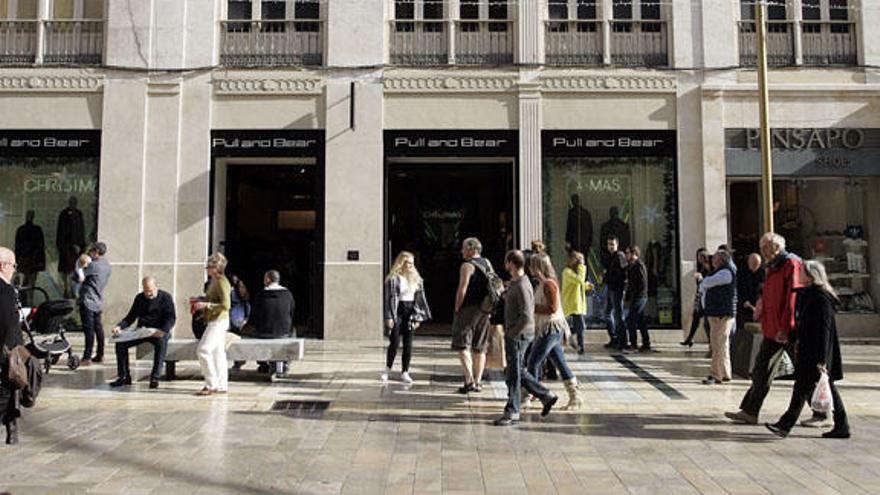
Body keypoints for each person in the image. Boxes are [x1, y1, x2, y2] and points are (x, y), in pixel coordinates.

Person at [765, 261, 850, 439]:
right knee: (807, 388)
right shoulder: (809, 295)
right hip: (809, 350)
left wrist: (822, 359)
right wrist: (791, 335)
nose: (798, 275)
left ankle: (786, 425)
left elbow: (823, 330)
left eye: (801, 272)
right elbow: (806, 325)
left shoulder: (820, 297)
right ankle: (840, 425)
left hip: (816, 353)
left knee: (807, 388)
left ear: (811, 276)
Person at [726, 233, 802, 424]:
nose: (763, 252)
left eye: (765, 248)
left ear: (776, 247)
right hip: (772, 330)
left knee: (805, 372)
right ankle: (750, 411)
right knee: (761, 370)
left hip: (788, 330)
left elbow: (792, 300)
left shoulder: (790, 264)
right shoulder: (773, 267)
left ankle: (825, 411)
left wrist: (786, 327)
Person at [494, 250, 557, 426]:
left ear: (511, 264)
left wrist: (512, 334)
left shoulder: (522, 285)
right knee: (515, 371)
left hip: (519, 335)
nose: (505, 265)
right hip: (518, 334)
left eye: (507, 262)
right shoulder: (519, 283)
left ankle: (513, 411)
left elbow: (526, 315)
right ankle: (545, 395)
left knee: (514, 374)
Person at [526, 253, 582, 411]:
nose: (529, 268)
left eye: (532, 265)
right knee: (559, 362)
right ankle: (575, 396)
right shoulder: (542, 283)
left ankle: (529, 395)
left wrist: (531, 307)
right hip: (549, 328)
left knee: (533, 361)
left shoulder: (548, 284)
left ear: (539, 267)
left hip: (551, 328)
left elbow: (553, 308)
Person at [109, 276, 176, 389]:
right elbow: (130, 317)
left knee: (161, 343)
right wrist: (119, 327)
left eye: (150, 290)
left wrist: (163, 330)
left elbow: (171, 317)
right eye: (145, 290)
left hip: (159, 330)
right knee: (120, 344)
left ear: (155, 287)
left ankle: (155, 377)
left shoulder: (165, 297)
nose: (148, 293)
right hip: (142, 330)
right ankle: (124, 377)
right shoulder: (140, 298)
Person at [383, 252, 431, 384]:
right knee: (394, 342)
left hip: (411, 311)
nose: (410, 266)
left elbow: (421, 300)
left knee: (408, 343)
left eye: (412, 263)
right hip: (397, 310)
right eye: (408, 263)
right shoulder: (393, 279)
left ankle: (405, 372)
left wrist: (418, 318)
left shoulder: (417, 279)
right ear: (401, 263)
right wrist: (388, 317)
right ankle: (388, 368)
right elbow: (388, 299)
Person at [451, 238, 492, 393]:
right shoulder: (487, 262)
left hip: (469, 308)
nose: (461, 251)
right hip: (485, 309)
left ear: (471, 249)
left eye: (463, 248)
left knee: (462, 343)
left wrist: (457, 307)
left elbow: (462, 288)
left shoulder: (467, 266)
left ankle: (469, 381)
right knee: (480, 346)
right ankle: (478, 381)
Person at [193, 253, 232, 396]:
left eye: (209, 266)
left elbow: (226, 305)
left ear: (216, 268)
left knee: (203, 350)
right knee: (218, 354)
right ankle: (221, 385)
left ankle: (211, 384)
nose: (207, 269)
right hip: (216, 320)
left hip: (219, 320)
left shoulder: (222, 282)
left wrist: (206, 305)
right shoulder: (215, 281)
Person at [243, 270, 297, 373]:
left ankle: (263, 363)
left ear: (268, 279)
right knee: (293, 331)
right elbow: (292, 312)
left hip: (263, 333)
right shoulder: (288, 294)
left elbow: (254, 315)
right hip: (284, 333)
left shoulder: (261, 295)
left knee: (254, 333)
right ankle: (285, 362)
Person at [700, 250, 737, 385]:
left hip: (721, 314)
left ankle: (716, 374)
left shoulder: (726, 272)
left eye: (715, 258)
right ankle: (726, 372)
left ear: (721, 260)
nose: (712, 260)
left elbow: (707, 282)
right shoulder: (719, 271)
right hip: (716, 312)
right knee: (723, 344)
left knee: (718, 344)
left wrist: (704, 281)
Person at [0, 246, 24, 444]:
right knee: (8, 388)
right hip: (7, 351)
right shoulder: (5, 290)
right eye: (13, 265)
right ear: (3, 266)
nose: (14, 269)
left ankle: (12, 428)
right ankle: (11, 427)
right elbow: (8, 323)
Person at [78, 242, 111, 366]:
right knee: (98, 328)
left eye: (91, 250)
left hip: (88, 300)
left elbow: (78, 276)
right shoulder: (106, 265)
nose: (90, 253)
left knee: (89, 330)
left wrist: (81, 264)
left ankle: (87, 357)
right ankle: (100, 354)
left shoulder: (94, 266)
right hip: (98, 300)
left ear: (96, 251)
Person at [561, 251, 592, 354]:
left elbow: (580, 283)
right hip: (572, 303)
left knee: (580, 326)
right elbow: (578, 280)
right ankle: (567, 336)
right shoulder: (567, 272)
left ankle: (569, 336)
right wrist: (582, 267)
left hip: (578, 302)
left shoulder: (575, 272)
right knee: (581, 326)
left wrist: (587, 286)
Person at [14, 210, 45, 306]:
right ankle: (28, 300)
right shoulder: (35, 230)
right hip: (30, 260)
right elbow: (40, 247)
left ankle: (27, 300)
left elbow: (18, 247)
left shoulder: (22, 229)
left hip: (27, 259)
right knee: (30, 281)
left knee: (28, 281)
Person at [681, 248, 711, 347]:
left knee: (706, 322)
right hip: (700, 295)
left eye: (700, 257)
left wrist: (701, 278)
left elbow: (708, 282)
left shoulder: (708, 267)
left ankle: (711, 343)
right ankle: (690, 338)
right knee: (696, 318)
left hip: (706, 297)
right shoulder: (701, 267)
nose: (698, 259)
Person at [56, 196, 85, 298]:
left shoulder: (78, 214)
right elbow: (61, 232)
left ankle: (73, 290)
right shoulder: (64, 214)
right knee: (66, 270)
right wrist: (62, 246)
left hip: (76, 248)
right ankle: (66, 289)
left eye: (74, 202)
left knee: (75, 269)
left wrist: (81, 246)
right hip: (66, 247)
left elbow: (81, 231)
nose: (73, 203)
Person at [602, 236, 628, 350]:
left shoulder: (620, 256)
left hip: (617, 289)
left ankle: (622, 341)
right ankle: (614, 338)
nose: (610, 247)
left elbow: (623, 273)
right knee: (607, 314)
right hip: (611, 288)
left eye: (612, 244)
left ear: (617, 245)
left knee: (618, 315)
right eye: (609, 244)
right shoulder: (611, 257)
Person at [624, 245, 651, 352]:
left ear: (634, 253)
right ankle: (646, 343)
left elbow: (642, 283)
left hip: (640, 297)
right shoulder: (631, 266)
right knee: (641, 321)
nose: (626, 255)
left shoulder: (639, 265)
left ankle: (633, 344)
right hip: (635, 296)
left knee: (631, 320)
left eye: (628, 253)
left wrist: (637, 295)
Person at [737, 253, 764, 330]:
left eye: (757, 265)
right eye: (753, 264)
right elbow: (738, 289)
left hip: (757, 306)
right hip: (744, 305)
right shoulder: (742, 273)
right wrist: (743, 301)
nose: (755, 267)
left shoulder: (762, 273)